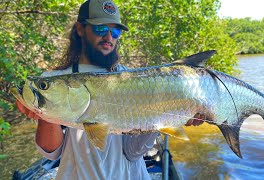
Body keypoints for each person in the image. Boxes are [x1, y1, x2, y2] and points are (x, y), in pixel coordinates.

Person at [16, 0, 203, 179]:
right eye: (101, 28)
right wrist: (44, 114)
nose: (108, 37)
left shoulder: (134, 81)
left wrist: (170, 115)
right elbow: (51, 152)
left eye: (115, 32)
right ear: (80, 29)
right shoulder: (52, 81)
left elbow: (133, 152)